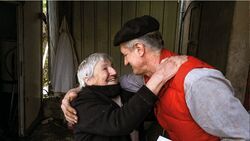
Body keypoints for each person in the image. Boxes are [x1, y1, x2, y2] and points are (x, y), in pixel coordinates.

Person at [62, 15, 250, 141]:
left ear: (139, 49)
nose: (124, 63)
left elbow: (244, 133)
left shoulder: (197, 82)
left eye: (125, 55)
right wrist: (76, 91)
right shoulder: (143, 80)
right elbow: (105, 91)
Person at [70, 53, 186, 141]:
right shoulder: (80, 103)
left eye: (112, 66)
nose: (114, 71)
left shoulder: (122, 93)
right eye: (105, 68)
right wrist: (160, 76)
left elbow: (150, 112)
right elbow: (119, 122)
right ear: (88, 79)